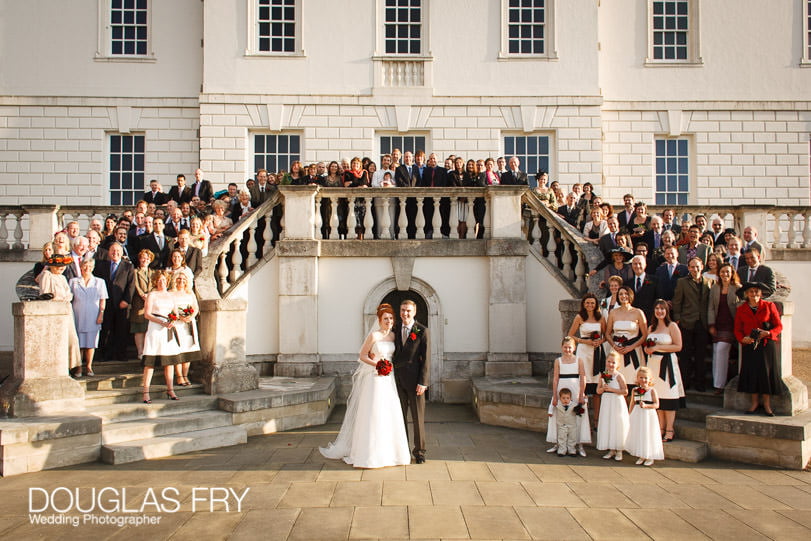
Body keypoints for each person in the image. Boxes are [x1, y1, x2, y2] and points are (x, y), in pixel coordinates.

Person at [319, 303, 411, 468]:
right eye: (385, 319)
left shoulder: (392, 336)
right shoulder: (374, 336)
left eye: (390, 318)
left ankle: (392, 454)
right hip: (375, 378)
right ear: (379, 320)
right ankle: (370, 455)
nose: (388, 321)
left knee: (389, 412)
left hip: (389, 378)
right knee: (374, 413)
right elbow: (362, 355)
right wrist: (377, 364)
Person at [735, 282, 782, 416]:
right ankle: (754, 403)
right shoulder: (741, 309)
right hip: (750, 345)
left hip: (766, 345)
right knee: (752, 374)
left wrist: (769, 333)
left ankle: (767, 405)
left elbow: (778, 326)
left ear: (760, 293)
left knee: (765, 374)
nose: (754, 294)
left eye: (756, 292)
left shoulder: (769, 306)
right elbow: (737, 329)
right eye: (751, 292)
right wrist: (742, 339)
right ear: (746, 294)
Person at [393, 299, 430, 463]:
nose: (405, 313)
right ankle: (402, 450)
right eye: (402, 310)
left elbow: (426, 359)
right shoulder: (394, 329)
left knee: (417, 419)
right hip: (396, 382)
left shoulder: (421, 330)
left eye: (408, 310)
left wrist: (423, 382)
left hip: (416, 382)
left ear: (414, 312)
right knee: (399, 418)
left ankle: (420, 452)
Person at [643, 300, 685, 443]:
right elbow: (647, 345)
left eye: (662, 309)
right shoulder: (651, 328)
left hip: (667, 365)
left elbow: (678, 346)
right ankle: (660, 427)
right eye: (657, 309)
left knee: (669, 396)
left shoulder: (671, 326)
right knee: (658, 396)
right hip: (653, 364)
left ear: (667, 311)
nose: (659, 311)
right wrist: (648, 349)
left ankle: (669, 429)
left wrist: (658, 347)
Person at [672, 257, 713, 391]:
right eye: (692, 267)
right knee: (685, 355)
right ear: (688, 268)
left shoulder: (709, 282)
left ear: (702, 267)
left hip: (702, 322)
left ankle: (700, 383)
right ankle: (685, 383)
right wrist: (678, 319)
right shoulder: (682, 282)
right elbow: (677, 302)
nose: (695, 269)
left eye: (697, 266)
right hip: (686, 322)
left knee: (700, 355)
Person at [37, 254, 82, 377]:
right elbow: (45, 294)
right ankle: (58, 366)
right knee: (56, 339)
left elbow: (69, 294)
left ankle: (74, 365)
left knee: (72, 338)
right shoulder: (47, 275)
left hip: (66, 310)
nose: (61, 268)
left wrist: (65, 298)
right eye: (58, 266)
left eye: (62, 266)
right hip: (54, 311)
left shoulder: (62, 278)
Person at [141, 272, 183, 403]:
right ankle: (146, 392)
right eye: (159, 280)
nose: (162, 282)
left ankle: (170, 389)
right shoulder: (152, 295)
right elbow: (147, 314)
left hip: (167, 330)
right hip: (155, 328)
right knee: (150, 362)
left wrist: (172, 321)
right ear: (155, 281)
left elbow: (175, 313)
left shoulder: (171, 296)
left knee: (168, 362)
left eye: (164, 280)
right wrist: (161, 322)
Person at [545, 336, 590, 457]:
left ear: (574, 348)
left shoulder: (579, 360)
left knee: (577, 415)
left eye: (570, 347)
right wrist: (555, 395)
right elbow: (555, 379)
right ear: (562, 347)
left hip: (575, 390)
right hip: (562, 388)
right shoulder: (558, 361)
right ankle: (558, 443)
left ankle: (579, 444)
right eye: (565, 347)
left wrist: (581, 393)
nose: (567, 350)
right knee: (559, 416)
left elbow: (583, 377)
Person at [568, 294, 606, 431]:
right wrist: (585, 341)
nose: (590, 305)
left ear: (596, 305)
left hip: (597, 352)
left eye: (592, 303)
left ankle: (597, 420)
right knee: (583, 384)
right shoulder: (579, 317)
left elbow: (606, 335)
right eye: (587, 303)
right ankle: (581, 418)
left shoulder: (600, 318)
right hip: (584, 351)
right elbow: (570, 335)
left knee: (596, 387)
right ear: (584, 304)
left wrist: (599, 342)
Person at [94, 243, 134, 363]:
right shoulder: (101, 265)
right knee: (106, 329)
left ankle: (120, 354)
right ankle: (105, 354)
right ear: (108, 252)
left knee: (121, 330)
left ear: (122, 253)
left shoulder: (128, 266)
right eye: (112, 250)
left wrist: (126, 300)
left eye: (117, 251)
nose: (115, 253)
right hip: (106, 302)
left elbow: (131, 285)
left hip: (121, 303)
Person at [69, 257, 108, 377]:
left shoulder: (99, 282)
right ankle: (78, 368)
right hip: (77, 314)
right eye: (85, 266)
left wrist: (101, 314)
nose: (87, 269)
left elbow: (103, 299)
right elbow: (69, 298)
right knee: (79, 342)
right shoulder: (73, 281)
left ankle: (89, 366)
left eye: (90, 267)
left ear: (93, 268)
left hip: (93, 314)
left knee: (91, 342)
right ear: (80, 267)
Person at [606, 286, 647, 389]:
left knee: (633, 381)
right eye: (620, 294)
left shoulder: (638, 312)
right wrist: (614, 346)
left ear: (630, 295)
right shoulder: (613, 313)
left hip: (634, 350)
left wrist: (631, 347)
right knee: (616, 382)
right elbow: (607, 333)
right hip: (617, 351)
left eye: (626, 294)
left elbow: (645, 335)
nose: (623, 296)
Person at [708, 263, 740, 394]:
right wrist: (711, 324)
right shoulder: (715, 288)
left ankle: (720, 385)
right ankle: (717, 382)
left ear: (732, 273)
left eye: (727, 272)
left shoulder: (737, 288)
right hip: (718, 324)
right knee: (716, 352)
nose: (725, 274)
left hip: (730, 325)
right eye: (722, 272)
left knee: (722, 351)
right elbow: (711, 307)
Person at [626, 367, 664, 466]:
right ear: (637, 378)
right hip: (638, 414)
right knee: (640, 434)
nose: (643, 380)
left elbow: (657, 405)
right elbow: (632, 403)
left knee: (648, 433)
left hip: (648, 415)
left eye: (646, 378)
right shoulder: (635, 390)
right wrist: (629, 414)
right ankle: (642, 455)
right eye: (641, 377)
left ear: (650, 379)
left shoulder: (652, 391)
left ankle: (650, 456)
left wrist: (647, 406)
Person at [596, 351, 630, 461]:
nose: (611, 364)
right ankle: (611, 449)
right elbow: (598, 390)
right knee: (608, 423)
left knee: (617, 424)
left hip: (616, 401)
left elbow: (625, 391)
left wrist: (612, 389)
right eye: (609, 362)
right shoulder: (603, 375)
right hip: (606, 402)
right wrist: (603, 388)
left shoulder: (619, 376)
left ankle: (619, 450)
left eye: (613, 363)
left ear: (618, 364)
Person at [171, 271, 201, 388]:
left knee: (188, 351)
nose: (181, 281)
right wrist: (179, 316)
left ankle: (185, 375)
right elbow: (170, 307)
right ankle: (179, 376)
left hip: (189, 324)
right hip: (177, 324)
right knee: (178, 350)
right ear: (175, 280)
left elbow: (196, 307)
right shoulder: (171, 293)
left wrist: (190, 316)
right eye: (179, 279)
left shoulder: (190, 293)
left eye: (183, 279)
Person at [130, 249, 154, 360]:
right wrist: (143, 295)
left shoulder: (153, 273)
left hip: (151, 305)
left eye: (147, 258)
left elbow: (155, 286)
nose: (145, 260)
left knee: (148, 329)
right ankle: (140, 351)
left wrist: (150, 295)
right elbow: (136, 285)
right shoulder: (134, 271)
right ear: (139, 259)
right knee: (139, 329)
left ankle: (147, 351)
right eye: (143, 258)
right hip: (139, 303)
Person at [552, 389, 582, 457]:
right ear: (560, 398)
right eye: (563, 398)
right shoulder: (557, 404)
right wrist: (550, 412)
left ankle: (572, 450)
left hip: (572, 425)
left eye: (567, 398)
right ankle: (562, 450)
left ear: (570, 398)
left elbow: (580, 410)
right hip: (561, 424)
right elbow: (552, 406)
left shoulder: (574, 405)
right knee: (561, 437)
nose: (565, 400)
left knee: (572, 438)